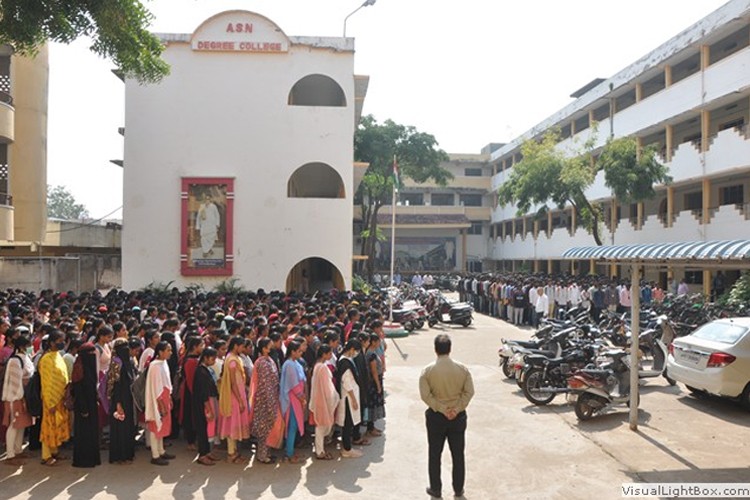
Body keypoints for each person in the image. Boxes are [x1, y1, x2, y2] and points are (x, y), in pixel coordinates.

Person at [419, 334, 475, 499]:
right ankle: (458, 489)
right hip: (457, 418)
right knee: (458, 454)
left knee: (434, 454)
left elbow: (425, 396)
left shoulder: (427, 371)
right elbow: (469, 392)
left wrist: (442, 409)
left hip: (436, 417)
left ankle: (436, 489)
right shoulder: (462, 369)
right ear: (450, 349)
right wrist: (456, 409)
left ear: (435, 350)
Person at [39, 329, 71, 466]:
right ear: (51, 343)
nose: (62, 344)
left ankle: (55, 451)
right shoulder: (46, 359)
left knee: (57, 426)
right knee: (48, 427)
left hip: (60, 397)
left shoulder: (58, 355)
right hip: (50, 399)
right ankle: (46, 456)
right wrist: (50, 402)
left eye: (63, 341)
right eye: (59, 342)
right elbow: (46, 382)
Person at [2, 335, 34, 466]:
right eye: (28, 346)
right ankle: (10, 455)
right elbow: (15, 382)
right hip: (15, 396)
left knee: (22, 424)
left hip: (24, 396)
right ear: (21, 346)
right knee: (14, 425)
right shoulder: (15, 361)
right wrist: (20, 396)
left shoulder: (26, 358)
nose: (29, 348)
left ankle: (18, 450)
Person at [248, 338, 281, 464]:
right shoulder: (262, 363)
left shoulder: (269, 360)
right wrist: (270, 402)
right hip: (265, 400)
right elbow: (265, 384)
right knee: (264, 428)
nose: (271, 348)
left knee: (268, 427)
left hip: (271, 397)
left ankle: (266, 453)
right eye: (269, 346)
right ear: (263, 349)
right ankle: (262, 456)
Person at [218, 336, 251, 464]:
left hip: (238, 394)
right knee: (233, 424)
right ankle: (231, 453)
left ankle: (235, 451)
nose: (243, 348)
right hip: (234, 396)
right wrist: (240, 400)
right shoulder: (232, 360)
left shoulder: (233, 358)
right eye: (242, 346)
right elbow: (233, 383)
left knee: (235, 423)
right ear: (236, 346)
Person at [145, 341, 175, 466]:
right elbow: (157, 388)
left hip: (165, 397)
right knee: (155, 425)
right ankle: (155, 455)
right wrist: (161, 405)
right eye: (168, 350)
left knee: (161, 426)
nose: (170, 353)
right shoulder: (155, 366)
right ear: (160, 352)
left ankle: (161, 450)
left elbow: (166, 383)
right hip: (159, 400)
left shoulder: (163, 363)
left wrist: (169, 398)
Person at [71, 342, 101, 468]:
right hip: (83, 407)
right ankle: (83, 460)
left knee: (92, 432)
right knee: (84, 433)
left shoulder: (89, 367)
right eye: (90, 353)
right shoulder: (79, 368)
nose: (93, 356)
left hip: (91, 404)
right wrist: (83, 408)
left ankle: (93, 458)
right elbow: (78, 390)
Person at [108, 338, 137, 464]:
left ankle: (128, 453)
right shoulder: (116, 363)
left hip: (129, 399)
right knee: (120, 428)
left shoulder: (128, 362)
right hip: (119, 401)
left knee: (128, 426)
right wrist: (118, 403)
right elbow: (115, 385)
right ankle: (120, 455)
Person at [308, 344, 339, 460]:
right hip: (323, 400)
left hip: (318, 399)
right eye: (329, 353)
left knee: (320, 426)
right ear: (324, 354)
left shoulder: (317, 366)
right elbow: (327, 388)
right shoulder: (323, 368)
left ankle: (320, 449)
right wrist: (333, 398)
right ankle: (320, 451)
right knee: (321, 427)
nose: (331, 355)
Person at [279, 340, 306, 463]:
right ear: (292, 351)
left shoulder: (294, 363)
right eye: (299, 351)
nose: (301, 353)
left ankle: (289, 452)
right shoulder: (289, 364)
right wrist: (302, 398)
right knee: (292, 426)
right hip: (292, 399)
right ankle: (289, 454)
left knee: (293, 426)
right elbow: (294, 385)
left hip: (297, 398)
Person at [192, 347, 219, 466]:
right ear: (206, 358)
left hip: (205, 403)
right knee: (202, 429)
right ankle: (202, 455)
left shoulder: (205, 370)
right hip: (201, 405)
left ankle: (207, 452)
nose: (214, 361)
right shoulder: (201, 372)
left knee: (206, 428)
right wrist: (208, 408)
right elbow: (203, 393)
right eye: (213, 358)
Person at [335, 339, 363, 458]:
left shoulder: (345, 360)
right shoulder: (345, 363)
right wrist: (354, 400)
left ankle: (347, 446)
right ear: (351, 349)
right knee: (347, 423)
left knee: (349, 422)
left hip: (349, 396)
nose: (356, 353)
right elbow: (347, 383)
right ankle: (347, 449)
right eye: (356, 351)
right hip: (348, 397)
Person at [364, 333, 385, 437]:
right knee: (372, 404)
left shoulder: (372, 352)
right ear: (373, 342)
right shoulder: (371, 354)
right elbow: (374, 371)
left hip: (375, 381)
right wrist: (378, 385)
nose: (379, 343)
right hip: (373, 382)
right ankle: (370, 428)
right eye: (377, 341)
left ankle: (372, 426)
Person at [196, 193, 221, 257]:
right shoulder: (202, 207)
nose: (207, 200)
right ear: (204, 200)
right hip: (204, 226)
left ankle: (208, 249)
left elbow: (217, 215)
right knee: (204, 239)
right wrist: (198, 226)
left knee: (211, 239)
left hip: (212, 226)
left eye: (208, 199)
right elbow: (198, 217)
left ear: (210, 200)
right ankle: (205, 251)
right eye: (206, 199)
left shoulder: (213, 206)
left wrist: (217, 223)